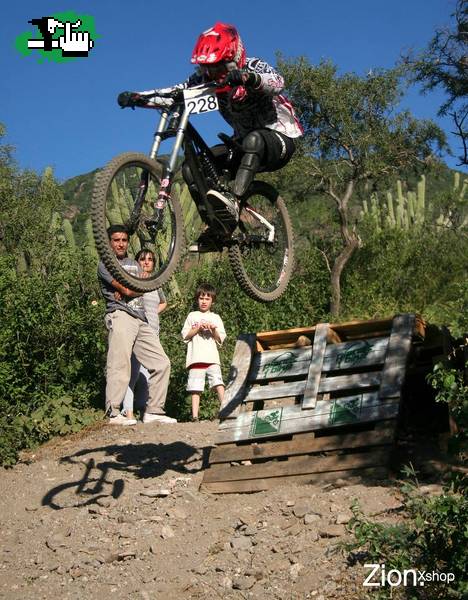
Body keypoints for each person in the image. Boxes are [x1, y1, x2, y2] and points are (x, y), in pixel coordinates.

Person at [117, 21, 303, 251]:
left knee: (253, 139)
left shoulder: (253, 65)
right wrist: (138, 97)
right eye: (207, 69)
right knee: (191, 167)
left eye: (217, 67)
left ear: (234, 57)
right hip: (243, 144)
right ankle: (216, 229)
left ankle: (234, 200)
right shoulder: (204, 80)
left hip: (281, 137)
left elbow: (277, 82)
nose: (212, 74)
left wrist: (248, 78)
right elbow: (174, 93)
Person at [98, 224, 176, 425]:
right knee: (120, 363)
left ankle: (154, 411)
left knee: (162, 363)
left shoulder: (135, 263)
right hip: (120, 314)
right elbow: (130, 290)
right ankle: (114, 413)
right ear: (109, 243)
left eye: (124, 240)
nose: (121, 243)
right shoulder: (105, 264)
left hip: (141, 319)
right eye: (116, 240)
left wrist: (131, 288)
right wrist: (134, 287)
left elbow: (138, 287)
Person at [121, 248, 168, 421]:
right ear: (137, 262)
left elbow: (163, 303)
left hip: (153, 334)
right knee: (132, 374)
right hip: (137, 334)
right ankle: (128, 413)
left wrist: (153, 315)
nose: (146, 262)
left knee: (150, 375)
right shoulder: (133, 281)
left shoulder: (155, 282)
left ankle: (148, 412)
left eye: (150, 259)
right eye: (142, 259)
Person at [181, 283, 226, 421]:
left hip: (212, 358)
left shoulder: (216, 317)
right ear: (197, 299)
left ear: (212, 301)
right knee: (196, 388)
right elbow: (185, 335)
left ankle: (226, 410)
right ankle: (195, 416)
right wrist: (198, 329)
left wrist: (212, 329)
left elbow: (221, 339)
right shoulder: (192, 316)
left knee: (218, 383)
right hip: (196, 357)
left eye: (207, 299)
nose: (204, 301)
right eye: (201, 298)